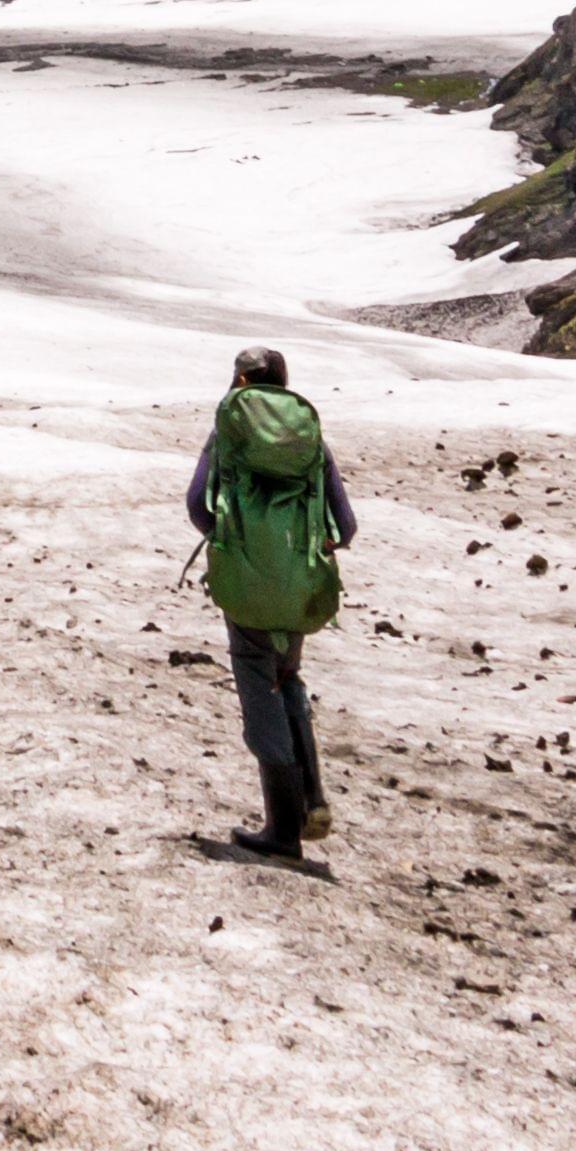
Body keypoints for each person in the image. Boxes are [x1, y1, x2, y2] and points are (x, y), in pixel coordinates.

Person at [184, 341, 352, 866]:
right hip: (299, 582)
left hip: (247, 583)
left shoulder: (229, 434)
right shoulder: (308, 440)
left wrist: (235, 542)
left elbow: (197, 505)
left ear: (240, 382)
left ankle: (283, 827)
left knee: (259, 685)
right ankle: (311, 802)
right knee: (288, 677)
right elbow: (344, 527)